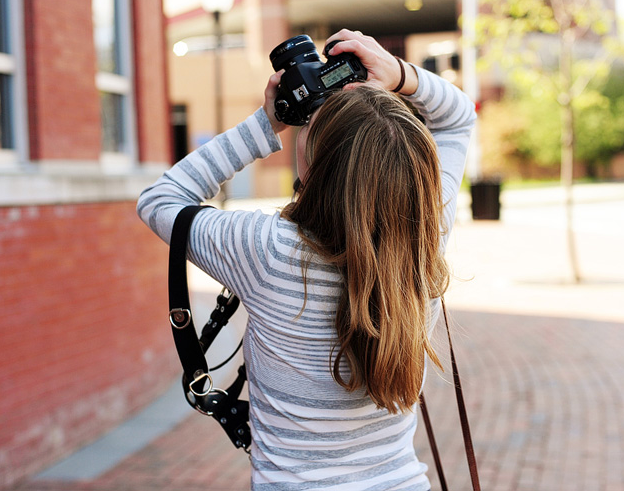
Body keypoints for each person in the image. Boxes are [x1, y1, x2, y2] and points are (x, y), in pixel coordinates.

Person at [137, 29, 476, 489]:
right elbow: (457, 119)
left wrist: (267, 122)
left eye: (311, 124)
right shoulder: (425, 235)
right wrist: (397, 73)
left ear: (313, 166)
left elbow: (161, 200)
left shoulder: (268, 249)